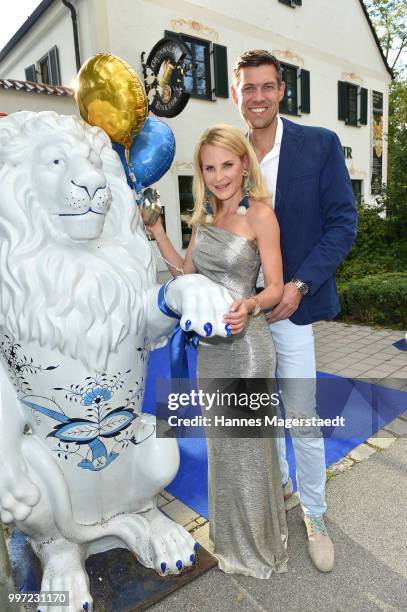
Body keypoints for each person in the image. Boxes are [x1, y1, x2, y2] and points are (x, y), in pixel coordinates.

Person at [231, 49, 357, 572]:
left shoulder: (318, 145)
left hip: (292, 310)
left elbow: (342, 224)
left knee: (301, 417)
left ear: (281, 91)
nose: (257, 97)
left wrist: (299, 285)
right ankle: (279, 485)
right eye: (247, 88)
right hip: (243, 315)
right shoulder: (229, 152)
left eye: (266, 87)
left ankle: (316, 515)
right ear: (236, 94)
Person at [146, 124, 289, 578]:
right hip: (211, 350)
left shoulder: (260, 216)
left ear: (244, 164)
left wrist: (249, 304)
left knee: (249, 449)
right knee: (224, 449)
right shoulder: (204, 221)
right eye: (209, 167)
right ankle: (230, 542)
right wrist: (155, 231)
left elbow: (276, 287)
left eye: (227, 164)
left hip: (247, 347)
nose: (219, 175)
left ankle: (259, 547)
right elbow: (184, 274)